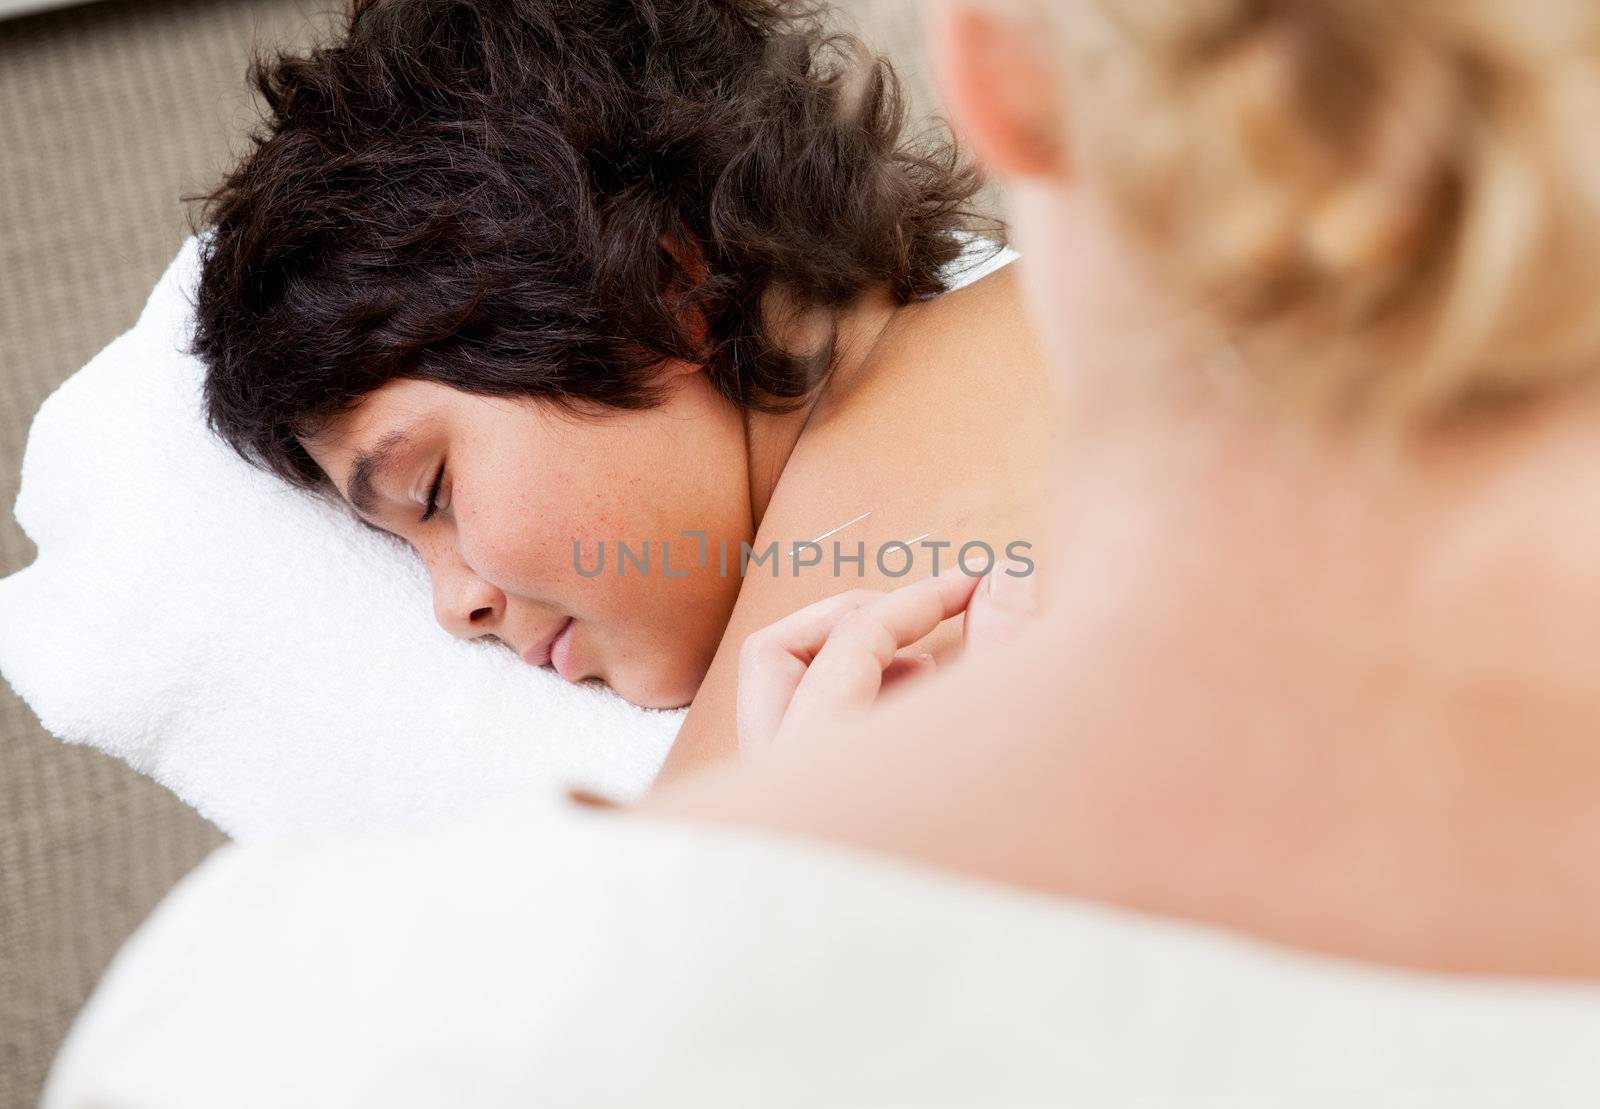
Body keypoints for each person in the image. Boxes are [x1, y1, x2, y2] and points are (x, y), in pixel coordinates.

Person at [641, 0, 1600, 977]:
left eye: (465, 476)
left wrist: (785, 920)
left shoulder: (628, 939)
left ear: (994, 67)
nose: (470, 602)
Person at [187, 0, 1058, 776]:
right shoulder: (1063, 311)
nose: (457, 606)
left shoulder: (872, 582)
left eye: (435, 491)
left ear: (660, 294)